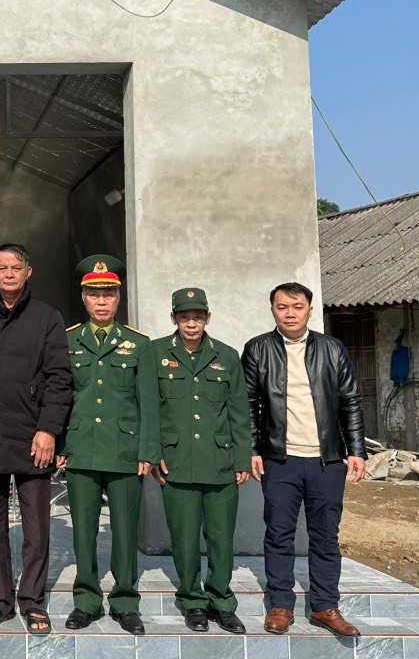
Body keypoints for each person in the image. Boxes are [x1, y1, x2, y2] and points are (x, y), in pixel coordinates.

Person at [0, 244, 72, 635]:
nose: (9, 273)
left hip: (31, 438)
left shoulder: (47, 318)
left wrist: (49, 430)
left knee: (37, 525)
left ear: (28, 272)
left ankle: (32, 601)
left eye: (16, 267)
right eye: (2, 267)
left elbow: (60, 379)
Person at [243, 281, 366, 637]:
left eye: (297, 306)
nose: (290, 313)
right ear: (273, 311)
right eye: (282, 307)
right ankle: (281, 604)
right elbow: (249, 405)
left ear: (310, 310)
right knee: (279, 533)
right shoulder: (258, 349)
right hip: (279, 458)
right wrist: (252, 449)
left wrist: (356, 450)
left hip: (327, 459)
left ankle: (326, 606)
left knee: (326, 535)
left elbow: (350, 401)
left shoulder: (332, 349)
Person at [56, 255, 157, 634]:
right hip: (81, 446)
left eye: (109, 294)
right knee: (82, 527)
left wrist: (148, 450)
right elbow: (61, 396)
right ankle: (86, 600)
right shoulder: (67, 341)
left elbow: (148, 400)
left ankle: (125, 600)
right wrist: (61, 442)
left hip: (125, 450)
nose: (101, 301)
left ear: (119, 298)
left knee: (125, 528)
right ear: (83, 298)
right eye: (94, 294)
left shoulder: (138, 344)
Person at [148, 288, 249, 634]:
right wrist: (153, 454)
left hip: (219, 460)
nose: (191, 323)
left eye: (198, 317)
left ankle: (221, 600)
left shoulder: (227, 356)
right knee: (185, 537)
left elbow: (238, 412)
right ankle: (193, 601)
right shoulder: (156, 353)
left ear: (208, 318)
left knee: (221, 537)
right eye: (184, 317)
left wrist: (243, 458)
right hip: (176, 461)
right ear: (173, 318)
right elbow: (149, 409)